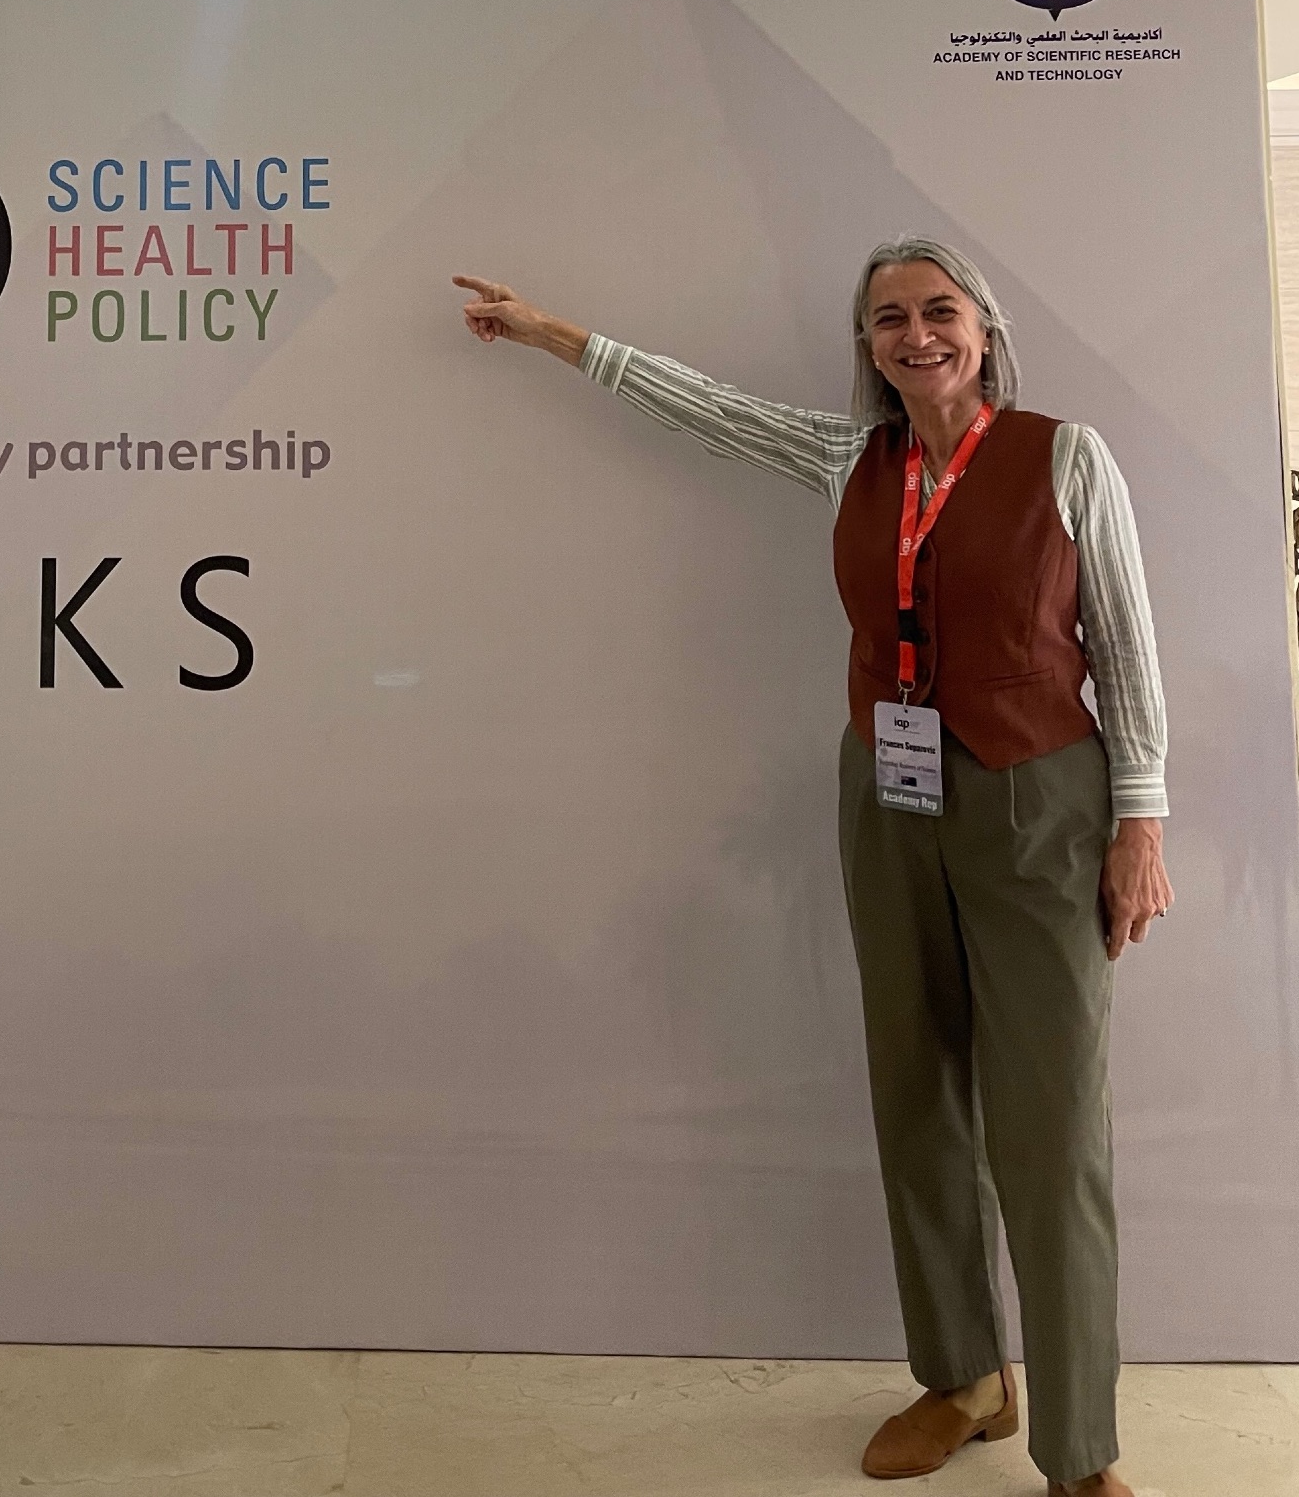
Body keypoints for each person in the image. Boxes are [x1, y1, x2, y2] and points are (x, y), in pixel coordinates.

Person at [453, 241, 1171, 1497]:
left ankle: (1079, 1450)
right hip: (887, 792)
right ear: (868, 346)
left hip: (1038, 799)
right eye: (888, 319)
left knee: (1051, 1126)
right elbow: (704, 407)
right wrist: (546, 331)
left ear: (984, 331)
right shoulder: (852, 458)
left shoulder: (1066, 456)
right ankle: (963, 1378)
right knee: (913, 1087)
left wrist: (1138, 824)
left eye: (937, 311)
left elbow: (1121, 639)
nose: (915, 335)